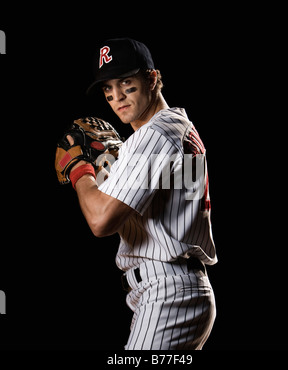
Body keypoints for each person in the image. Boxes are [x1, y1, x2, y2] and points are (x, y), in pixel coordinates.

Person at [70, 38, 217, 350]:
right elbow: (146, 202)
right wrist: (108, 167)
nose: (116, 96)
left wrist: (78, 169)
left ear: (152, 78)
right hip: (180, 290)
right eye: (107, 89)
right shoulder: (178, 126)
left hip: (169, 291)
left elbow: (100, 219)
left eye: (126, 82)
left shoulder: (154, 134)